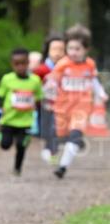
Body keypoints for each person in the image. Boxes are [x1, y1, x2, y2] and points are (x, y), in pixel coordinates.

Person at [47, 24, 100, 179]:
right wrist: (48, 95)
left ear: (86, 49)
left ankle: (62, 167)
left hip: (81, 108)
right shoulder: (62, 64)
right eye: (70, 48)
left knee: (75, 136)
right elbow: (52, 83)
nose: (73, 52)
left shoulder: (90, 65)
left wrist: (100, 94)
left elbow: (94, 81)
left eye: (77, 49)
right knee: (62, 137)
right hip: (62, 108)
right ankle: (70, 145)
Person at [0, 48, 44, 176]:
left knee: (21, 146)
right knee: (5, 145)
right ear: (12, 64)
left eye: (23, 63)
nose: (20, 67)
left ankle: (17, 169)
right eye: (17, 64)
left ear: (28, 63)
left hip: (26, 121)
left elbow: (39, 99)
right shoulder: (7, 79)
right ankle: (1, 135)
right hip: (9, 120)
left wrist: (38, 113)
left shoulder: (35, 80)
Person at [35, 34, 66, 162]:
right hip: (44, 105)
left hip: (62, 106)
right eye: (54, 49)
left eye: (61, 49)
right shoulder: (41, 70)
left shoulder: (67, 69)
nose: (57, 53)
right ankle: (49, 147)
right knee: (46, 129)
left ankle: (53, 150)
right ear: (47, 50)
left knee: (56, 128)